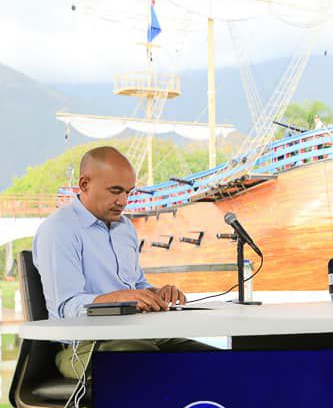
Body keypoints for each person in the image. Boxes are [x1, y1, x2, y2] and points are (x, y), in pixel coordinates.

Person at [33, 146, 211, 379]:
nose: (123, 201)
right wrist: (118, 297)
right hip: (82, 347)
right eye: (115, 191)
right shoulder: (60, 230)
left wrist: (155, 293)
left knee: (215, 362)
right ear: (84, 184)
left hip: (139, 334)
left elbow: (136, 284)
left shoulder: (124, 227)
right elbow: (66, 308)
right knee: (142, 361)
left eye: (128, 192)